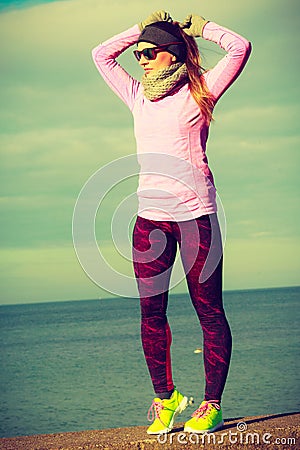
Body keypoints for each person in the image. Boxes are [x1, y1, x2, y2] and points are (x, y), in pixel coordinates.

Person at [92, 10, 251, 435]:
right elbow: (101, 55)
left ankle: (211, 405)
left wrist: (203, 28)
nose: (140, 58)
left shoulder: (201, 93)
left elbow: (240, 47)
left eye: (149, 51)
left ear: (174, 53)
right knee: (150, 313)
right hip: (150, 221)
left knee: (209, 312)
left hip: (196, 217)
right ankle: (166, 399)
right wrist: (137, 30)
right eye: (139, 53)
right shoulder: (137, 96)